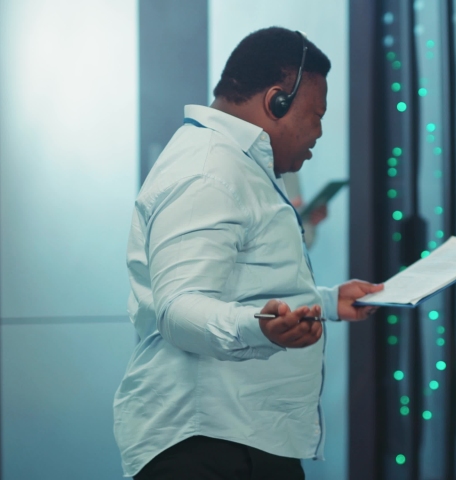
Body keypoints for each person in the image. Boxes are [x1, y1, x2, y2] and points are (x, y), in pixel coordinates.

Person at [113, 27, 383, 480]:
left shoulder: (235, 163)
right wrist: (264, 330)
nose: (319, 131)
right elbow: (179, 309)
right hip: (208, 447)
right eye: (315, 114)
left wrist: (325, 301)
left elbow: (243, 281)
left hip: (241, 439)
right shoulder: (209, 171)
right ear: (276, 100)